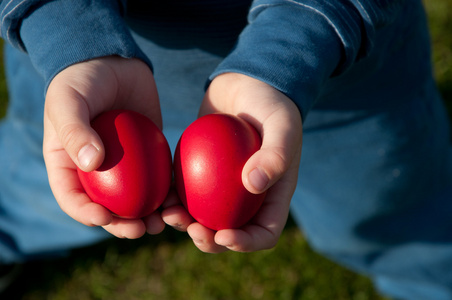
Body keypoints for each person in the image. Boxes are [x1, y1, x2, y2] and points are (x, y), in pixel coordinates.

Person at [0, 0, 451, 298]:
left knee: (396, 217)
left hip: (339, 78)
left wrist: (287, 51)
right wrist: (70, 38)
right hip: (87, 87)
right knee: (34, 190)